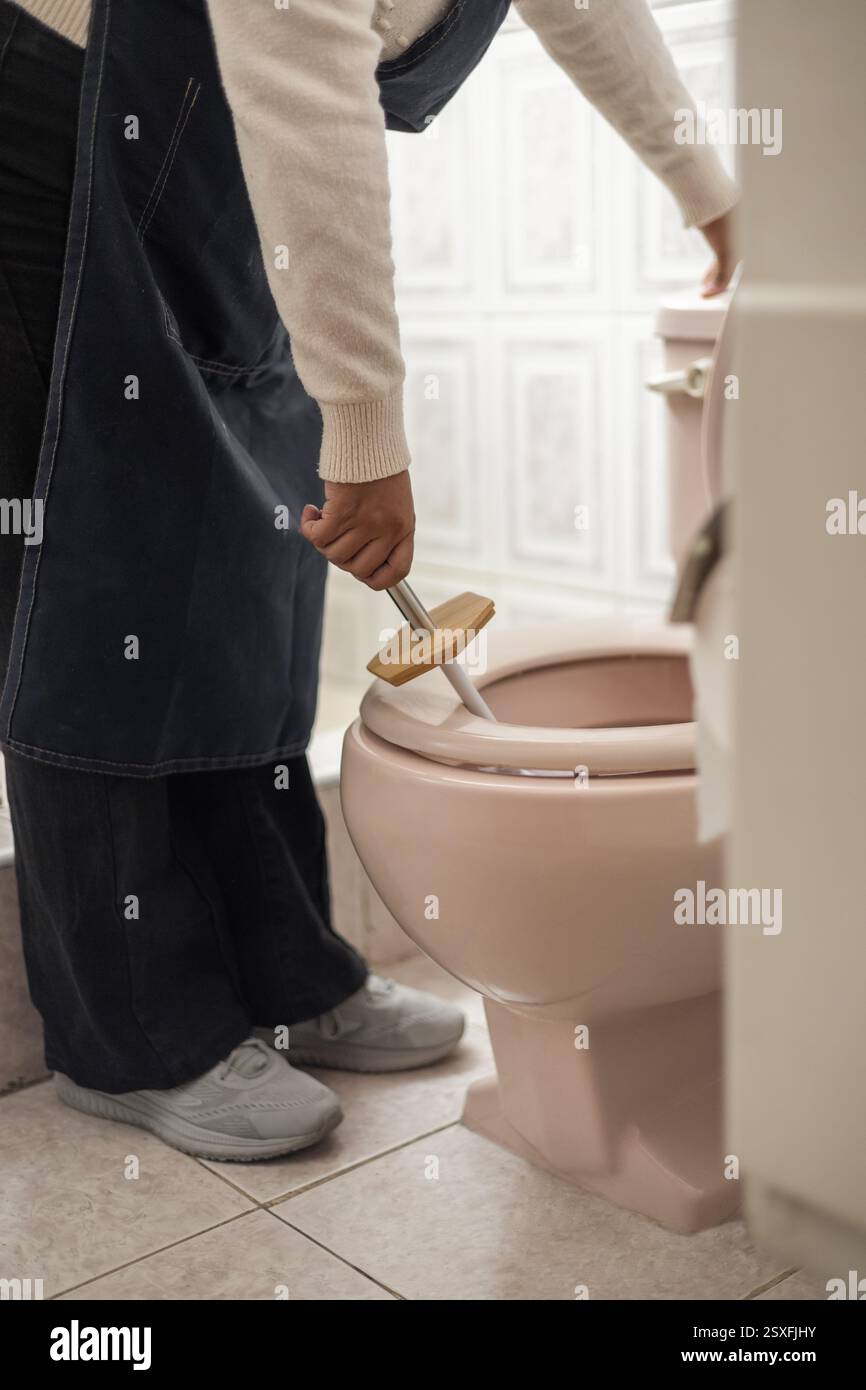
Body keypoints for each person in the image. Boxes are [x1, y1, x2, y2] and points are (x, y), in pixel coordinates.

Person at [0, 0, 737, 1161]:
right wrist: (367, 429)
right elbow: (294, 62)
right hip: (61, 109)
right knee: (103, 565)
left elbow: (584, 5)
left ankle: (288, 973)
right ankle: (135, 1032)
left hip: (217, 127)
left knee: (250, 553)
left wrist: (715, 195)